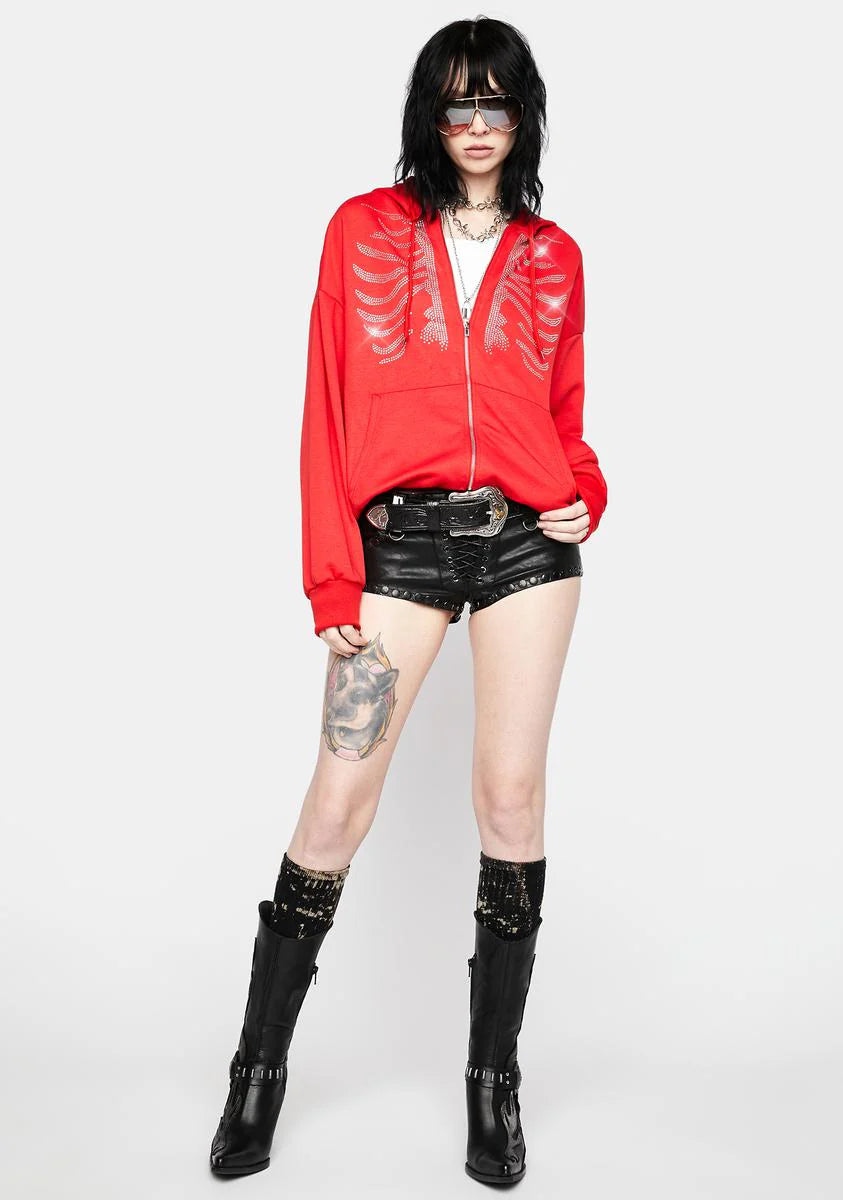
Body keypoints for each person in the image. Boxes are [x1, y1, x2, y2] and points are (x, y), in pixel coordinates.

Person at [210, 16, 608, 1186]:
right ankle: (257, 1070)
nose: (478, 124)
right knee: (338, 803)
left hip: (526, 545)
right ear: (430, 114)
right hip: (401, 547)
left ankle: (493, 1084)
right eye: (458, 102)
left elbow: (564, 412)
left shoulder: (555, 254)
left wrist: (584, 487)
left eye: (498, 103)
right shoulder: (365, 230)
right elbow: (326, 405)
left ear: (524, 116)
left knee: (511, 799)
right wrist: (332, 572)